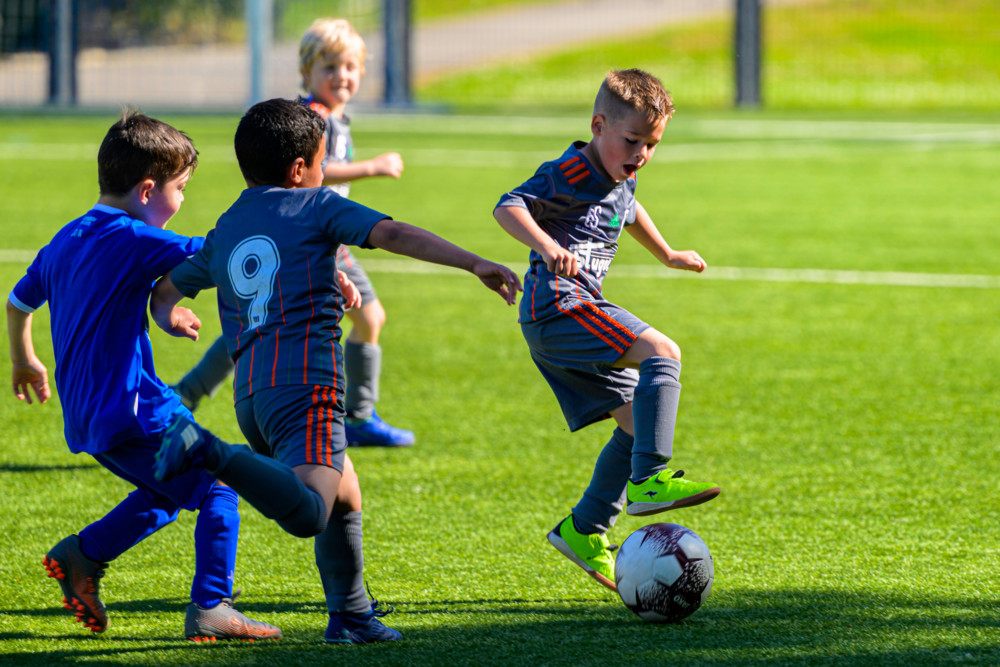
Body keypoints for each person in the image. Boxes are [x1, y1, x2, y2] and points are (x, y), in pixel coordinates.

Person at [149, 98, 521, 644]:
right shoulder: (317, 205)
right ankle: (209, 451)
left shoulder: (228, 224)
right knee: (311, 513)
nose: (325, 172)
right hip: (307, 388)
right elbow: (393, 234)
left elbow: (165, 290)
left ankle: (350, 614)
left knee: (345, 491)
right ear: (299, 169)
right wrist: (474, 262)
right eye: (322, 161)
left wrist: (168, 315)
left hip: (254, 397)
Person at [6, 111, 281, 641]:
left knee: (168, 494)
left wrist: (24, 358)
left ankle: (83, 556)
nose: (180, 202)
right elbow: (219, 251)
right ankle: (212, 608)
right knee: (221, 483)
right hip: (133, 407)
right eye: (179, 189)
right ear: (148, 188)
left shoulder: (66, 238)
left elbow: (19, 303)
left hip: (87, 411)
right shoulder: (134, 238)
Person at [493, 69, 721, 592]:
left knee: (636, 423)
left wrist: (667, 253)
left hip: (561, 318)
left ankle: (584, 529)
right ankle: (647, 480)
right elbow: (508, 206)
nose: (641, 153)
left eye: (652, 144)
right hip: (558, 306)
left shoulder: (622, 173)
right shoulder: (572, 169)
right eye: (633, 140)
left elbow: (629, 208)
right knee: (662, 350)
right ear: (599, 126)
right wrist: (549, 248)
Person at [172, 18, 413, 448]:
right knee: (355, 318)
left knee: (259, 325)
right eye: (330, 67)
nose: (342, 76)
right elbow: (322, 169)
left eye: (351, 67)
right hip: (309, 234)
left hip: (311, 231)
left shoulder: (330, 116)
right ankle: (358, 415)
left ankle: (187, 393)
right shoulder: (315, 117)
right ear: (307, 72)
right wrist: (373, 167)